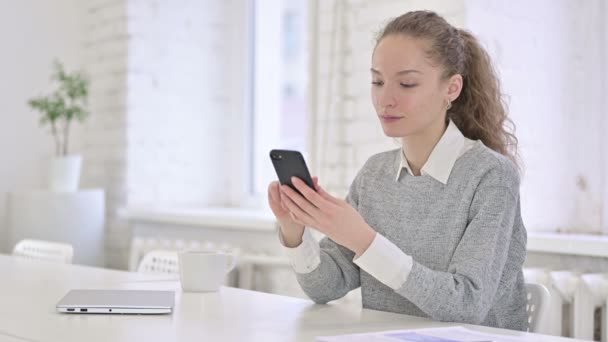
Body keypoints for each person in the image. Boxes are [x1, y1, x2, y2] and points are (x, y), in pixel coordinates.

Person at [267, 10, 527, 330]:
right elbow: (325, 287)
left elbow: (467, 306)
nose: (384, 100)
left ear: (452, 88)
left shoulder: (491, 177)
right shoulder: (375, 175)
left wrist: (365, 241)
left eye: (406, 83)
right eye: (377, 81)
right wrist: (294, 232)